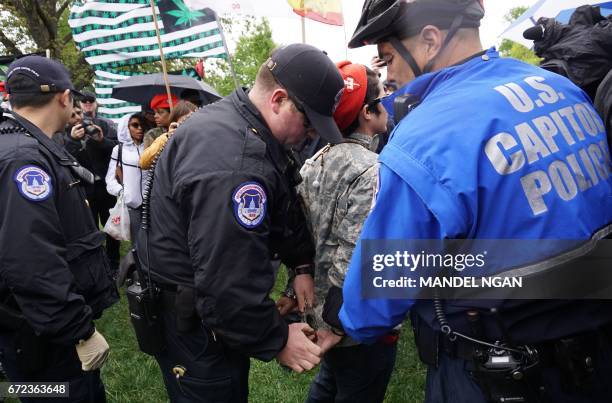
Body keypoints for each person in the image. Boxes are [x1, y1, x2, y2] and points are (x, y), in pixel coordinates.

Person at [340, 1, 612, 402]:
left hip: (489, 372)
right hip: (598, 356)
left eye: (388, 58)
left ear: (430, 40)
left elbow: (371, 308)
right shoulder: (562, 89)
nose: (388, 76)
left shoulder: (423, 139)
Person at [142, 43, 345, 402]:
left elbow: (283, 203)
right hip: (196, 325)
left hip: (205, 314)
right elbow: (226, 283)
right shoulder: (235, 163)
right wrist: (278, 340)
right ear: (279, 99)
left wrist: (300, 264)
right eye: (309, 122)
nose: (311, 135)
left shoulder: (246, 127)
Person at [0, 56, 118, 402]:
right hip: (43, 337)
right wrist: (80, 332)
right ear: (64, 97)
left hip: (33, 326)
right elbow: (30, 259)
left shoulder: (22, 145)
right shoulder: (24, 159)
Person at [297, 61, 396, 403]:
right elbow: (354, 253)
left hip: (322, 309)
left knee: (329, 384)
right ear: (367, 113)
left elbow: (305, 239)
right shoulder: (371, 170)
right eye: (383, 97)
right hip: (354, 320)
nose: (389, 103)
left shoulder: (316, 160)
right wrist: (337, 325)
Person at [66, 93, 121, 276]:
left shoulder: (102, 124)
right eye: (73, 115)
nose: (78, 118)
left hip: (105, 186)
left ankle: (113, 263)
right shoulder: (64, 132)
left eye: (79, 114)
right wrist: (73, 140)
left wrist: (100, 140)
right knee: (89, 229)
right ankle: (96, 264)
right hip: (83, 189)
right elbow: (64, 158)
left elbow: (116, 148)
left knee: (112, 226)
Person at [105, 112, 152, 245]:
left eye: (142, 125)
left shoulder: (150, 146)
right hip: (132, 205)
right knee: (137, 243)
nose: (140, 129)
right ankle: (138, 265)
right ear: (126, 127)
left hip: (152, 203)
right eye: (135, 125)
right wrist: (122, 192)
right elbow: (110, 179)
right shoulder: (118, 149)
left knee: (153, 241)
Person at [139, 100, 197, 170]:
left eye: (160, 112)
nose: (155, 116)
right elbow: (144, 163)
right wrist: (167, 138)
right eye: (183, 123)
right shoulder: (161, 136)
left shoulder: (202, 136)